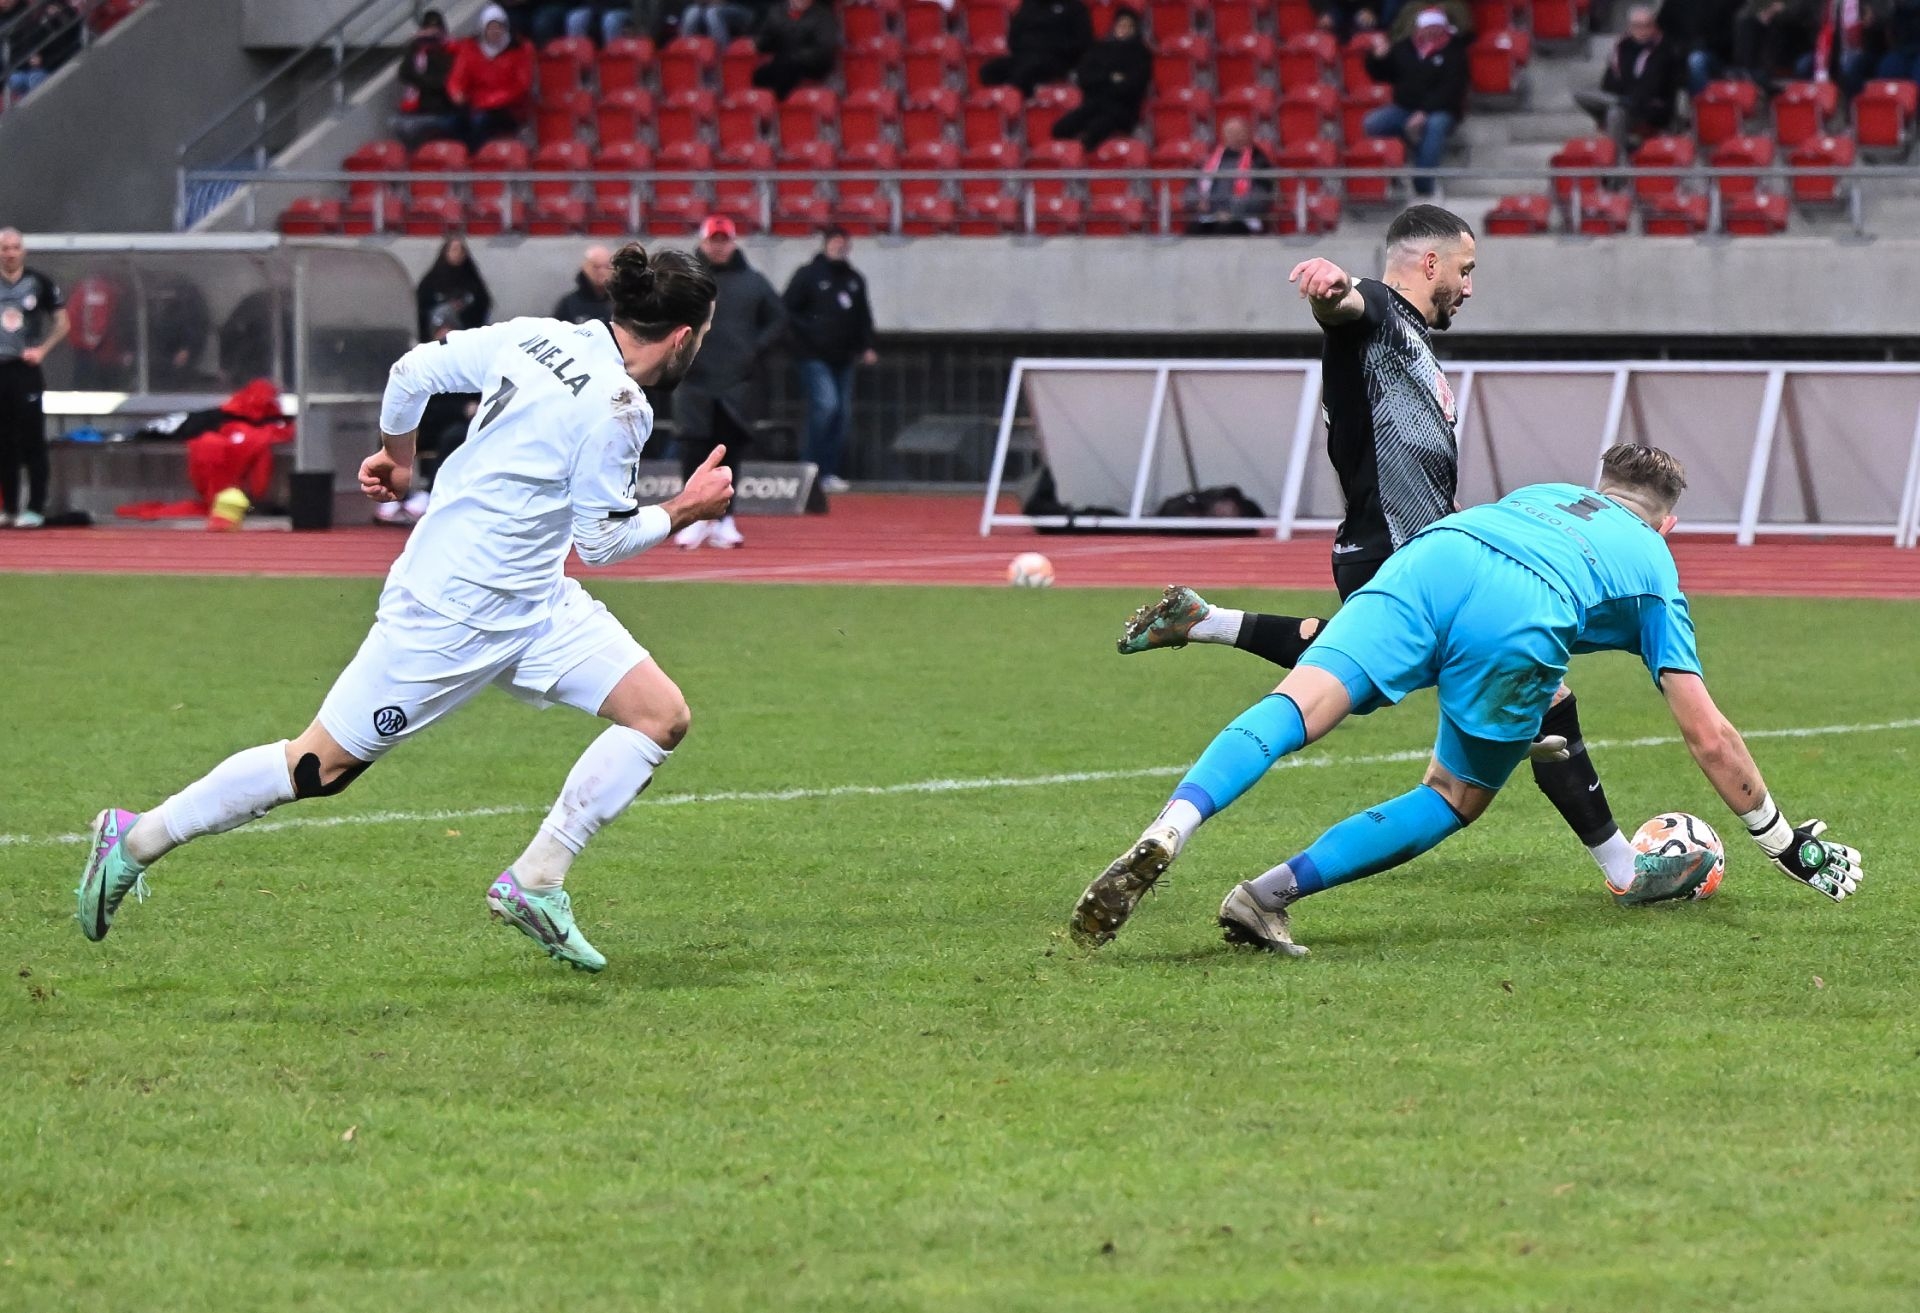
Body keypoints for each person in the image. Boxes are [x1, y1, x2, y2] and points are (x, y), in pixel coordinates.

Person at [75, 244, 739, 975]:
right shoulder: (620, 407)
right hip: (450, 611)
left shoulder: (539, 335)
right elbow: (604, 541)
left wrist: (397, 456)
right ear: (684, 335)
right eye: (705, 334)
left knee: (660, 715)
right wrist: (686, 507)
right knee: (318, 767)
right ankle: (134, 838)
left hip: (532, 600)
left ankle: (536, 879)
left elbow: (412, 371)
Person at [1073, 444, 1865, 956]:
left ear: (1601, 487)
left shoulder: (1548, 493)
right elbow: (1709, 735)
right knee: (1454, 793)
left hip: (1438, 553)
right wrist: (1783, 841)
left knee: (1301, 701)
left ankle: (1169, 826)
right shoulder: (1654, 566)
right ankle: (1264, 895)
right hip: (1522, 607)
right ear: (1668, 524)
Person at [1117, 205, 1644, 905]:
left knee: (1344, 679)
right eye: (1465, 270)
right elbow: (1349, 308)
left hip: (1409, 550)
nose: (1470, 286)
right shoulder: (1385, 316)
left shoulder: (1411, 342)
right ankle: (1626, 871)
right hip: (1406, 553)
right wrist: (1333, 291)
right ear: (1430, 263)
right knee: (1532, 704)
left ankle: (1206, 628)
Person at [672, 215, 785, 549]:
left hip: (736, 381)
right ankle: (692, 517)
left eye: (724, 241)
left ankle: (725, 518)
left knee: (730, 449)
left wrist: (754, 348)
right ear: (703, 241)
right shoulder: (683, 279)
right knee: (693, 448)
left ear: (733, 243)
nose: (719, 247)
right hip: (693, 379)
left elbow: (779, 319)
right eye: (714, 240)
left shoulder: (754, 282)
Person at [388, 237, 493, 524]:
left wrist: (467, 408)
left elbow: (475, 399)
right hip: (434, 413)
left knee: (452, 436)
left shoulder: (474, 360)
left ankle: (431, 492)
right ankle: (394, 493)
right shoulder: (424, 360)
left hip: (460, 417)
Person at [781, 225, 876, 494]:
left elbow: (863, 316)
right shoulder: (808, 275)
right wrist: (807, 335)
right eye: (834, 241)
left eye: (843, 242)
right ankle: (809, 468)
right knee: (826, 407)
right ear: (825, 244)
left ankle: (828, 471)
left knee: (841, 416)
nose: (839, 246)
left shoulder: (854, 279)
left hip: (844, 357)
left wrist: (867, 345)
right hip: (813, 356)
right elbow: (786, 309)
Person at [0, 228, 68, 530]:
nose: (10, 253)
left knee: (32, 439)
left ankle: (35, 507)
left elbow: (63, 322)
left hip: (25, 371)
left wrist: (42, 350)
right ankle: (9, 507)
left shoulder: (38, 283)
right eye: (5, 248)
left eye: (15, 247)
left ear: (23, 251)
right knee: (3, 441)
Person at [1363, 8, 1469, 196]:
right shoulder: (1404, 48)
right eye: (1427, 27)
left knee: (1434, 125)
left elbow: (1450, 90)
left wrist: (1424, 112)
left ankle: (1423, 185)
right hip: (1405, 107)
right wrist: (1377, 58)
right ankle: (1396, 169)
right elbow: (1382, 75)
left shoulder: (1454, 52)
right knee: (1373, 123)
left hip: (1441, 109)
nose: (1432, 31)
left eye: (1436, 27)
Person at [1575, 5, 1684, 150]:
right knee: (1582, 95)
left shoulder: (1664, 49)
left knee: (1615, 114)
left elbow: (1653, 85)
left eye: (1647, 25)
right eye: (1637, 26)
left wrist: (1628, 97)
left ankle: (1618, 158)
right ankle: (1617, 105)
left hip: (1650, 107)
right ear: (1630, 27)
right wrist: (1619, 96)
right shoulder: (1622, 47)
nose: (1642, 30)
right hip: (1621, 100)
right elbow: (1609, 80)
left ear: (1653, 26)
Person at [1048, 5, 1151, 152]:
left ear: (1135, 29)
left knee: (1092, 133)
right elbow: (1084, 77)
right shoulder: (1099, 48)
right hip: (1094, 103)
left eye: (1129, 26)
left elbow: (1133, 86)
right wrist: (1110, 78)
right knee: (1060, 129)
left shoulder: (1140, 53)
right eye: (1120, 24)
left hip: (1121, 109)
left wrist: (1101, 80)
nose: (1123, 28)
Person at [447, 4, 534, 151]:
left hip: (509, 108)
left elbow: (522, 86)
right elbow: (457, 78)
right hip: (477, 104)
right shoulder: (471, 49)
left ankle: (480, 158)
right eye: (491, 28)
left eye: (498, 27)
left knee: (480, 121)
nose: (495, 31)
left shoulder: (519, 48)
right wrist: (456, 92)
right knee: (453, 123)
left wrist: (488, 101)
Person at [980, 0, 1093, 97]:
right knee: (988, 70)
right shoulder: (1029, 4)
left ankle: (1015, 103)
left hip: (1056, 59)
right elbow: (1013, 36)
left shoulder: (1074, 7)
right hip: (1024, 55)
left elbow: (1083, 42)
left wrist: (1052, 47)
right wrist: (1023, 48)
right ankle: (997, 104)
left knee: (1026, 72)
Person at [1184, 116, 1275, 235]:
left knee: (1225, 229)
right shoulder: (1208, 158)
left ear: (1247, 134)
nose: (1233, 136)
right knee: (1195, 229)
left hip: (1242, 217)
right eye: (1229, 132)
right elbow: (1192, 188)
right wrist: (1197, 202)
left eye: (1238, 132)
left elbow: (1260, 196)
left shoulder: (1259, 161)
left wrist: (1231, 212)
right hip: (1209, 214)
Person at [391, 9, 464, 149]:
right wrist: (414, 45)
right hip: (416, 109)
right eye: (427, 29)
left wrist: (419, 78)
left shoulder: (452, 50)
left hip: (441, 109)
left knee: (419, 127)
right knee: (396, 123)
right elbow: (404, 73)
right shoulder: (417, 50)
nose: (431, 34)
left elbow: (441, 82)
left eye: (435, 31)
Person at [751, 0, 840, 100]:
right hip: (782, 60)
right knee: (760, 74)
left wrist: (796, 56)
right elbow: (766, 39)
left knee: (787, 67)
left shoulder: (823, 16)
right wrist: (756, 44)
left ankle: (780, 102)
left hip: (811, 64)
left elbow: (824, 49)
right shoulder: (777, 12)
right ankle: (763, 103)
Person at [553, 244, 615, 325]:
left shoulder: (623, 303)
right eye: (596, 267)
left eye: (606, 267)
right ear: (585, 268)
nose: (602, 271)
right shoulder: (569, 305)